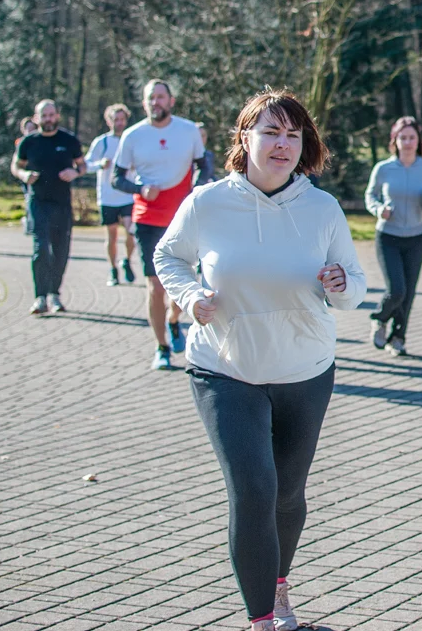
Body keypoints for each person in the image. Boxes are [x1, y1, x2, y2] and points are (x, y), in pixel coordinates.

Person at [154, 89, 366, 631]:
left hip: (305, 370)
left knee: (288, 494)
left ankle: (279, 587)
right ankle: (263, 622)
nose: (282, 144)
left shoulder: (322, 208)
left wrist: (342, 285)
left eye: (293, 135)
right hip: (225, 369)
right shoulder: (207, 202)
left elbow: (354, 285)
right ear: (243, 138)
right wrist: (188, 295)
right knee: (254, 490)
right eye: (270, 132)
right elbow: (168, 255)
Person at [112, 79, 206, 370]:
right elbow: (117, 178)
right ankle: (161, 347)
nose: (156, 102)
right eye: (151, 98)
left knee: (181, 281)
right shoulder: (133, 135)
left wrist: (197, 188)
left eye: (161, 97)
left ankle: (174, 319)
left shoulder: (189, 130)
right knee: (155, 285)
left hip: (181, 218)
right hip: (148, 218)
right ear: (144, 103)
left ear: (171, 101)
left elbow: (204, 166)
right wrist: (139, 189)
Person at [364, 116, 422, 357]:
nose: (407, 142)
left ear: (418, 141)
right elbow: (370, 196)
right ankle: (379, 318)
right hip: (388, 236)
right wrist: (378, 210)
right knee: (397, 290)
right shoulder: (383, 169)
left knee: (409, 292)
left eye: (412, 138)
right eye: (402, 137)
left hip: (415, 238)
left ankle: (398, 338)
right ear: (394, 140)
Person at [11, 100, 86, 314]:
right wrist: (24, 175)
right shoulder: (28, 142)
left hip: (62, 203)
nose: (48, 119)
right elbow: (16, 165)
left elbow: (82, 165)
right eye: (44, 116)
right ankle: (40, 297)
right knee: (41, 248)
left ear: (57, 116)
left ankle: (55, 294)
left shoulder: (69, 140)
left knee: (60, 250)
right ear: (36, 118)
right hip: (38, 202)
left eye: (51, 115)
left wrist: (76, 172)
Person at [86, 104, 137, 286]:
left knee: (131, 232)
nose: (119, 123)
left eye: (122, 119)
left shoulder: (131, 140)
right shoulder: (102, 142)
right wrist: (100, 164)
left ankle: (127, 260)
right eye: (116, 120)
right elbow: (86, 164)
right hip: (107, 196)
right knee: (112, 235)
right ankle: (113, 269)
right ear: (109, 121)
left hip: (127, 195)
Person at [16, 117, 38, 235]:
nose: (30, 131)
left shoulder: (39, 141)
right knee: (29, 199)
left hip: (37, 176)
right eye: (28, 128)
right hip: (26, 176)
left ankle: (30, 223)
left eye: (32, 128)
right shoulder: (21, 143)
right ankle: (29, 224)